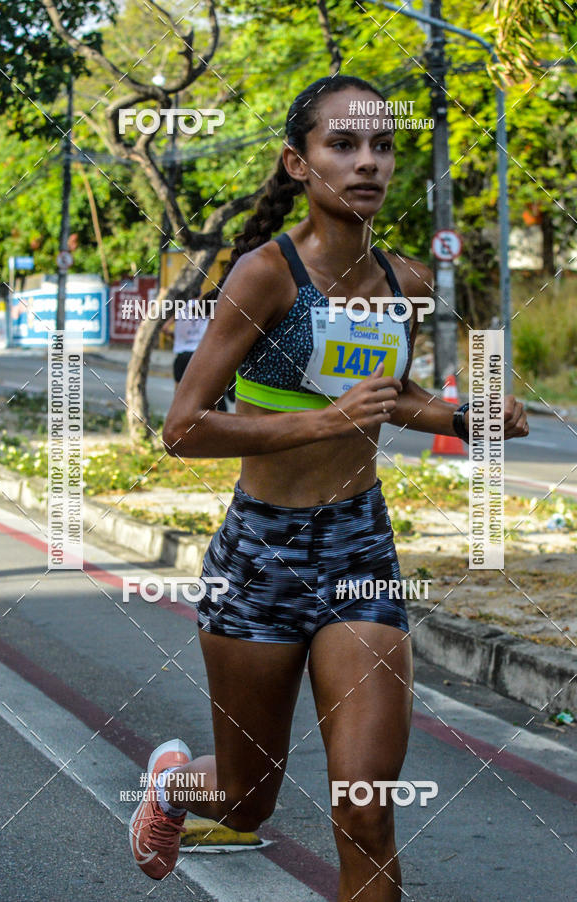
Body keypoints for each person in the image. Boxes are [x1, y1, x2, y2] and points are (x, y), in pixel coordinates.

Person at [129, 74, 529, 901]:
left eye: (382, 145)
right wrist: (324, 421)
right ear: (299, 162)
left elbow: (393, 400)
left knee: (365, 806)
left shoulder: (406, 283)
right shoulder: (263, 276)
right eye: (342, 145)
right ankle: (174, 786)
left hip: (358, 546)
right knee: (244, 799)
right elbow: (183, 428)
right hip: (260, 556)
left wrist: (464, 418)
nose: (367, 162)